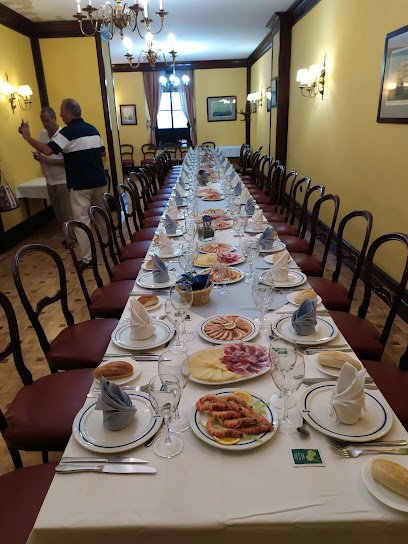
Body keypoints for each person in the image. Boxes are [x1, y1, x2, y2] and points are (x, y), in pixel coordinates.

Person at [18, 98, 107, 265]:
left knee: (82, 222)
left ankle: (88, 259)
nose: (60, 114)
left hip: (80, 185)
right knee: (102, 216)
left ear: (69, 112)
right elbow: (102, 153)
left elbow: (47, 150)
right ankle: (110, 247)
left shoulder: (67, 132)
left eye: (62, 111)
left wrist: (27, 137)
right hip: (100, 181)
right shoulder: (93, 129)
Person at [34, 106, 74, 246]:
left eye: (47, 120)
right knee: (58, 213)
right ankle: (67, 236)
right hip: (49, 180)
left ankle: (72, 238)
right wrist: (38, 155)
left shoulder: (63, 135)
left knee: (67, 212)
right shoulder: (42, 134)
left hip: (63, 180)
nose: (45, 124)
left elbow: (69, 161)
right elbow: (41, 150)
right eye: (42, 121)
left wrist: (49, 161)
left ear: (54, 118)